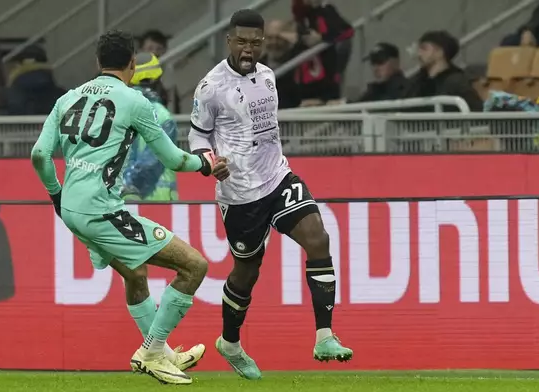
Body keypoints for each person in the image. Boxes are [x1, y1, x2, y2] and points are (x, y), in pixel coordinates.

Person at [30, 29, 218, 385]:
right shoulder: (134, 101)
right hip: (100, 211)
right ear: (133, 64)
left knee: (136, 274)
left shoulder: (67, 98)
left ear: (97, 63)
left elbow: (39, 154)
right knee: (194, 266)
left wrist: (56, 194)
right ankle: (152, 350)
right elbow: (175, 160)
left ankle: (162, 354)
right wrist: (205, 164)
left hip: (71, 208)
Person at [188, 9, 353, 380]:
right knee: (247, 271)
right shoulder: (211, 87)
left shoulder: (267, 75)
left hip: (278, 177)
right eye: (242, 41)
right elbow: (198, 134)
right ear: (228, 40)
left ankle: (325, 336)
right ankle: (230, 342)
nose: (250, 48)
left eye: (256, 42)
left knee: (318, 237)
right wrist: (209, 160)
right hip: (240, 194)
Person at [122, 52, 179, 201]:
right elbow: (152, 162)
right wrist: (130, 188)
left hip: (119, 201)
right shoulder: (162, 115)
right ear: (157, 79)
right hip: (158, 202)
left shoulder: (117, 110)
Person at [402, 30, 483, 112]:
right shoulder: (416, 82)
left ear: (440, 52)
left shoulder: (457, 82)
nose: (419, 54)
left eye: (424, 48)